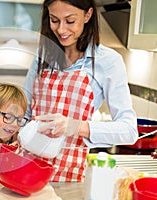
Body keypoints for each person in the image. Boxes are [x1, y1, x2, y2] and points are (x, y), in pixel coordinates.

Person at [23, 0, 138, 182]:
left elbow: (129, 130)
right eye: (54, 20)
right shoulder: (43, 56)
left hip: (69, 177)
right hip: (27, 170)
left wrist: (76, 126)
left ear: (88, 15)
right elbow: (25, 112)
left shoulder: (108, 61)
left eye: (70, 21)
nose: (61, 30)